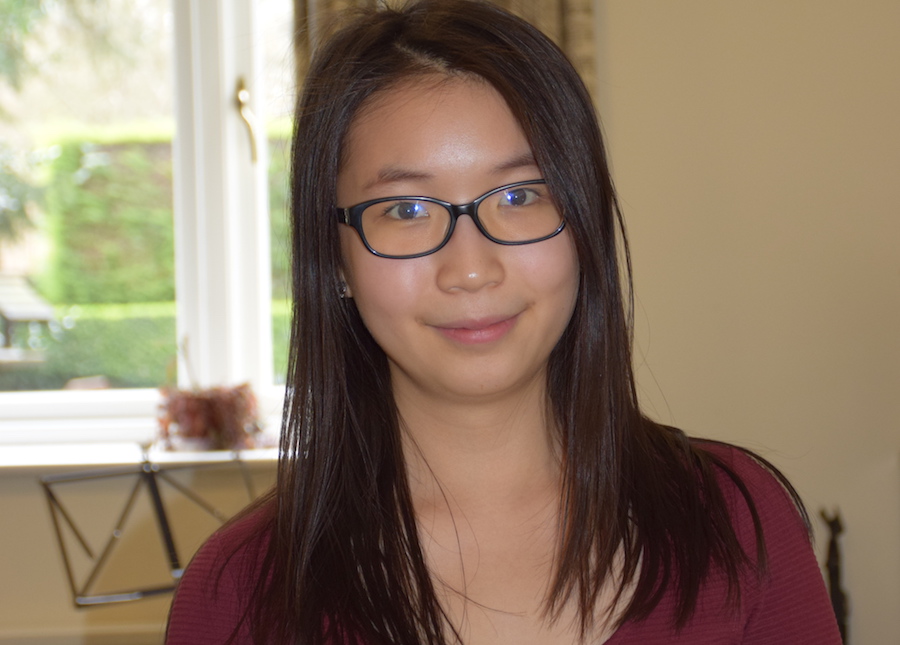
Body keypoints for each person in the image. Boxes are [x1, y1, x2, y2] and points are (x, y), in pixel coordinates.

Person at [166, 1, 842, 643]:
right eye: (405, 209)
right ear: (334, 257)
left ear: (584, 226)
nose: (471, 268)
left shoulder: (737, 523)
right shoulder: (239, 594)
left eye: (519, 195)